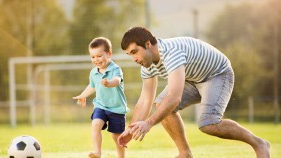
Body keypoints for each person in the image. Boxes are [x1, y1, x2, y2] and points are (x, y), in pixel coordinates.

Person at [117, 26, 270, 158]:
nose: (133, 59)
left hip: (217, 74)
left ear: (148, 44)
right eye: (130, 54)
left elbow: (174, 98)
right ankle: (185, 153)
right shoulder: (146, 65)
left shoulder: (171, 54)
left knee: (208, 124)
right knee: (161, 105)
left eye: (134, 52)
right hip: (192, 78)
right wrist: (131, 130)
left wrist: (149, 123)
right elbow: (145, 100)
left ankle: (259, 143)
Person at [73, 37, 129, 158]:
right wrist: (83, 95)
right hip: (101, 105)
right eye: (93, 57)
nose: (96, 60)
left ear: (109, 54)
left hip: (116, 108)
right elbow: (92, 85)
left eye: (99, 56)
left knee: (117, 137)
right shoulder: (94, 72)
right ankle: (97, 152)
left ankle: (121, 156)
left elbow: (117, 80)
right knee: (96, 124)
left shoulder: (115, 69)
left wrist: (109, 83)